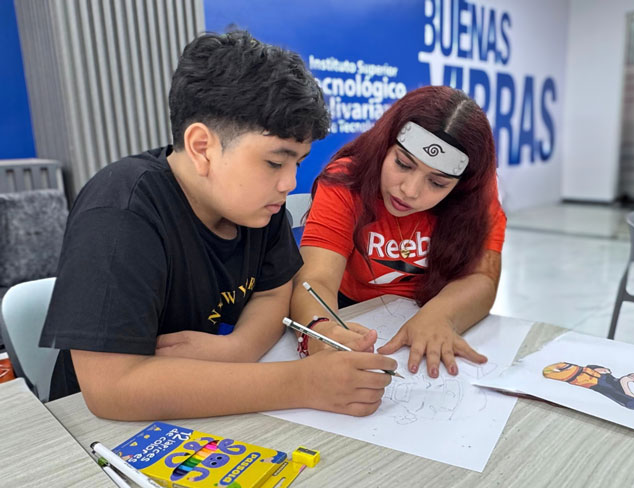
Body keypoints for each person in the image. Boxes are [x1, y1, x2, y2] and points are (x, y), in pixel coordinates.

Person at [39, 31, 396, 420]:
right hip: (100, 432)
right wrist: (302, 384)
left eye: (298, 163)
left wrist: (237, 349)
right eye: (276, 162)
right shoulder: (120, 213)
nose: (290, 183)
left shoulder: (259, 207)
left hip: (218, 403)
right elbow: (112, 389)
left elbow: (273, 293)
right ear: (202, 147)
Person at [291, 86, 506, 378]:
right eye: (403, 164)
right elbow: (315, 279)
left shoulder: (478, 196)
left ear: (461, 187)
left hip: (435, 310)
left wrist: (441, 315)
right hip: (353, 312)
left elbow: (483, 278)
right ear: (384, 146)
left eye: (438, 183)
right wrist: (321, 329)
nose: (410, 190)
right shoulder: (346, 181)